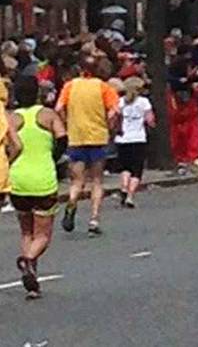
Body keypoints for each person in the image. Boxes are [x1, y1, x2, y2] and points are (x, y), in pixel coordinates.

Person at [10, 75, 66, 300]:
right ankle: (28, 260)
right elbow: (62, 139)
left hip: (18, 179)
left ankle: (32, 280)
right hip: (43, 178)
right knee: (42, 235)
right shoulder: (47, 114)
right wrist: (52, 157)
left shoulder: (11, 118)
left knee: (26, 230)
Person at [56, 55, 120, 236]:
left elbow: (59, 108)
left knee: (77, 180)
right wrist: (109, 126)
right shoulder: (104, 87)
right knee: (97, 180)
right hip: (98, 137)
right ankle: (94, 218)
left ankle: (72, 201)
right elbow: (115, 111)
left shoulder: (70, 86)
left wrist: (66, 123)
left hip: (76, 137)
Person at [115, 77, 154, 209]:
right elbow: (150, 120)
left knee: (125, 167)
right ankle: (130, 196)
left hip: (122, 138)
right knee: (136, 170)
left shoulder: (120, 102)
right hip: (138, 138)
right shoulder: (144, 102)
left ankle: (124, 187)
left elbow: (114, 117)